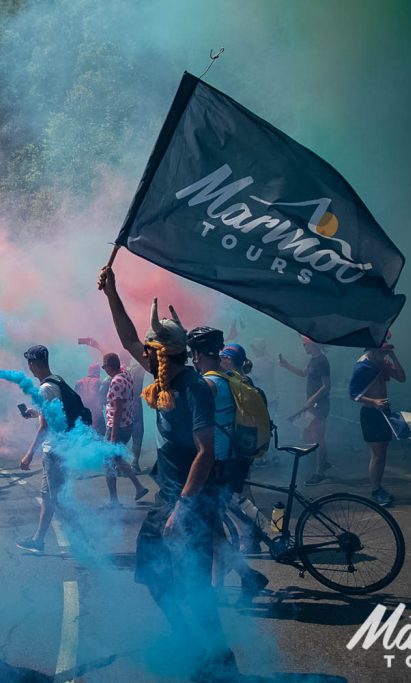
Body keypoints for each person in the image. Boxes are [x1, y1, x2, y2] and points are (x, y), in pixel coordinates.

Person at [99, 266, 236, 678]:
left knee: (194, 585)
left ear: (166, 355)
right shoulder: (165, 369)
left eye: (153, 349)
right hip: (169, 498)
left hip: (190, 501)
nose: (146, 352)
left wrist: (183, 508)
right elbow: (126, 338)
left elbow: (206, 453)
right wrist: (112, 293)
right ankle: (197, 647)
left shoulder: (195, 388)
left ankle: (219, 659)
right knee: (157, 576)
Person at [198, 339, 269, 596]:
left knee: (221, 516)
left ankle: (256, 535)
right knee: (234, 503)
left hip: (225, 458)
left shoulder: (220, 383)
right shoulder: (241, 382)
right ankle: (255, 538)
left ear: (229, 359)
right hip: (239, 453)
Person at [15, 345, 85, 554]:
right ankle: (39, 539)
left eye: (30, 364)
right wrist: (34, 412)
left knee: (58, 500)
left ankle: (83, 545)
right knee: (49, 496)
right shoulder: (57, 380)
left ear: (33, 364)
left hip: (55, 451)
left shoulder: (44, 389)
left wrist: (29, 455)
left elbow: (45, 427)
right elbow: (55, 413)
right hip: (63, 447)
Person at [349, 338, 406, 507]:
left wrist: (393, 357)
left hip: (383, 411)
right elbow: (353, 394)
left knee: (383, 452)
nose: (383, 355)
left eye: (385, 352)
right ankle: (376, 489)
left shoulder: (381, 362)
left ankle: (379, 487)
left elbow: (402, 378)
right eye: (381, 352)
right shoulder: (363, 366)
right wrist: (374, 402)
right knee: (377, 454)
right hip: (371, 413)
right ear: (372, 351)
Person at [280, 336, 332, 485]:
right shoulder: (314, 360)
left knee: (318, 437)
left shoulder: (322, 361)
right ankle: (322, 462)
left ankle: (320, 471)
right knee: (308, 434)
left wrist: (312, 400)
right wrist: (286, 365)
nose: (303, 347)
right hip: (314, 405)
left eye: (305, 344)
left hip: (320, 405)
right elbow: (303, 373)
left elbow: (326, 386)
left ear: (313, 344)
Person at [101, 352, 150, 506]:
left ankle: (114, 500)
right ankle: (139, 487)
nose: (103, 369)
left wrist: (113, 435)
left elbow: (117, 410)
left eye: (104, 366)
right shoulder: (126, 374)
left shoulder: (116, 381)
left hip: (117, 427)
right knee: (118, 459)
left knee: (108, 462)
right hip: (127, 424)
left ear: (109, 367)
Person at [75, 364, 107, 437]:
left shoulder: (79, 382)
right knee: (101, 434)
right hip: (96, 413)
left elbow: (76, 398)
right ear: (97, 371)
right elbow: (103, 399)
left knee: (85, 434)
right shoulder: (99, 382)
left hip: (83, 413)